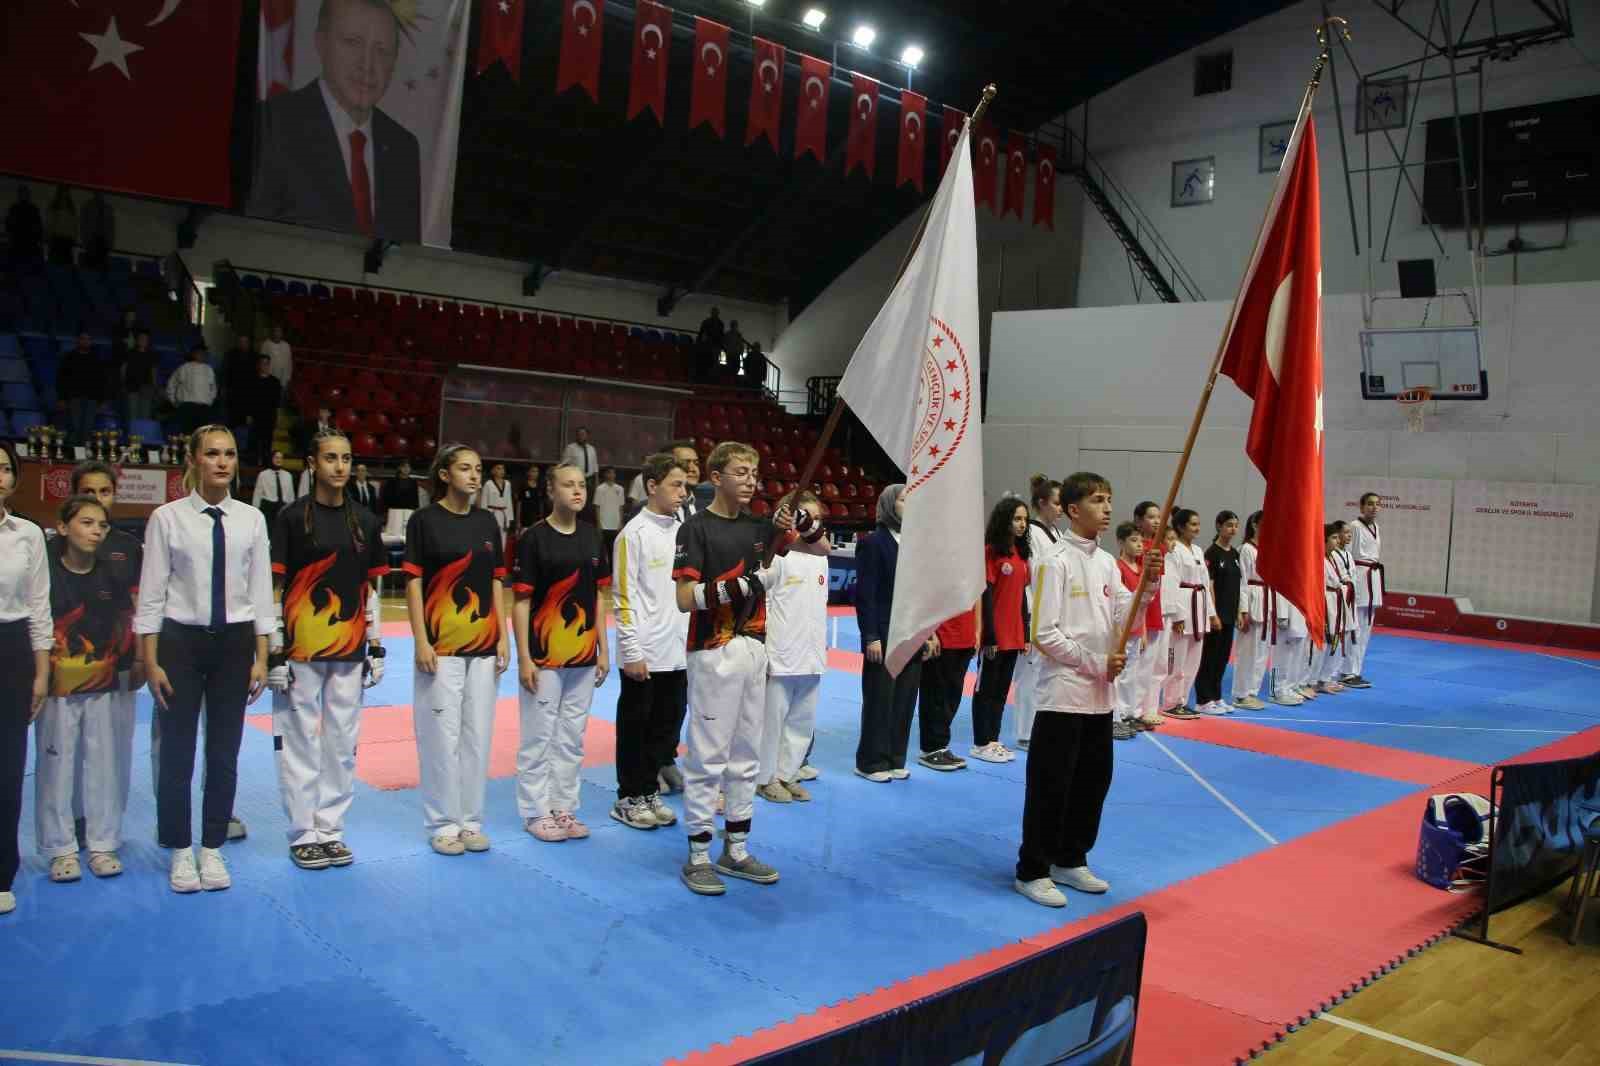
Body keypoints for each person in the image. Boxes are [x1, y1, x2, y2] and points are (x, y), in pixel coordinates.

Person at [671, 441, 822, 895]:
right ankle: (698, 854)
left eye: (754, 472)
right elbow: (683, 600)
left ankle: (735, 847)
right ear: (716, 477)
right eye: (740, 471)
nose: (750, 479)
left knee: (746, 756)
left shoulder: (762, 528)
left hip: (755, 647)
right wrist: (743, 585)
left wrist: (801, 520)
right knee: (707, 756)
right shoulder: (695, 529)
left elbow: (816, 540)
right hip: (713, 649)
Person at [136, 425, 274, 894]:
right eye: (212, 453)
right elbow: (152, 594)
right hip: (180, 642)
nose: (222, 462)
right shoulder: (167, 518)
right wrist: (150, 660)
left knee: (224, 751)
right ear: (194, 460)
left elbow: (259, 593)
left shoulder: (251, 519)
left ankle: (212, 846)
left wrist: (261, 656)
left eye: (230, 454)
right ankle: (179, 847)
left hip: (234, 643)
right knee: (176, 751)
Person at [1014, 471, 1153, 909]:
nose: (1108, 508)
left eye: (1110, 499)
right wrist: (1095, 662)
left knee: (1093, 781)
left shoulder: (1107, 563)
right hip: (1064, 693)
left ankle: (1070, 858)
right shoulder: (1053, 561)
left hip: (1100, 698)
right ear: (1073, 510)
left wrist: (1146, 588)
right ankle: (1032, 868)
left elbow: (1121, 620)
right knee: (1050, 784)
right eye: (1097, 500)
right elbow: (1044, 633)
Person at [269, 429, 386, 870]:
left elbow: (369, 589)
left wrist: (375, 646)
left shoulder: (365, 521)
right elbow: (276, 587)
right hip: (300, 648)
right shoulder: (290, 517)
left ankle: (331, 829)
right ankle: (303, 831)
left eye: (346, 457)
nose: (340, 466)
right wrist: (275, 648)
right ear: (313, 464)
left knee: (341, 742)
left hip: (349, 647)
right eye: (331, 458)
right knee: (299, 742)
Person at [403, 444, 508, 855]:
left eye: (478, 469)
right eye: (465, 468)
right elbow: (413, 582)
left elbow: (497, 581)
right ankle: (442, 822)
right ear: (444, 474)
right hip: (440, 645)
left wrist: (502, 634)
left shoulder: (486, 522)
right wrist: (421, 639)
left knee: (476, 735)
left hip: (483, 643)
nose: (474, 475)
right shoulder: (424, 520)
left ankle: (470, 820)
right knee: (439, 737)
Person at [247, 0, 422, 242]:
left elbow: (407, 261)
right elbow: (248, 241)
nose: (367, 65)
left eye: (382, 50)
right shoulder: (273, 124)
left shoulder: (403, 148)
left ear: (394, 61)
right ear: (321, 43)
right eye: (353, 42)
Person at [35, 494, 137, 883]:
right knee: (56, 763)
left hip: (102, 682)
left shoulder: (111, 577)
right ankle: (60, 849)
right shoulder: (47, 574)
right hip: (57, 686)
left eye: (102, 525)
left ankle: (102, 842)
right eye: (86, 523)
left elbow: (123, 627)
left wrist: (132, 665)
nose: (96, 531)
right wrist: (39, 677)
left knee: (102, 763)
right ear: (63, 528)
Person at [512, 463, 609, 842]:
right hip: (544, 653)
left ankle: (563, 806)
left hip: (583, 653)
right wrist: (524, 656)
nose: (577, 491)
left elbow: (600, 597)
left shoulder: (591, 537)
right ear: (551, 491)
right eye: (568, 485)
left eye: (581, 485)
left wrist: (603, 648)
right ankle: (535, 810)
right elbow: (521, 601)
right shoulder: (534, 539)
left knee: (571, 736)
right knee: (539, 736)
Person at [64, 464, 144, 850]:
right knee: (74, 749)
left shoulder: (129, 547)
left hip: (122, 661)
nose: (97, 500)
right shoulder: (56, 544)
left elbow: (140, 604)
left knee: (116, 745)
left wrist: (144, 656)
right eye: (88, 492)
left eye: (104, 492)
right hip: (73, 665)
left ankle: (107, 823)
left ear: (115, 495)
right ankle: (76, 819)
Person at [611, 453, 690, 828]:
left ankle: (650, 791)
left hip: (678, 651)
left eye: (686, 485)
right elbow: (623, 597)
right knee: (636, 727)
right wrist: (631, 651)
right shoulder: (633, 535)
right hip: (644, 652)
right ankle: (628, 796)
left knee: (666, 727)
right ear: (652, 486)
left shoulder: (683, 531)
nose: (683, 492)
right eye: (676, 484)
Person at [0, 441, 54, 916]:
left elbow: (39, 607)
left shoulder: (27, 535)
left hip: (12, 647)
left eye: (3, 469)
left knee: (8, 765)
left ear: (13, 480)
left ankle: (1, 872)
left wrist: (40, 669)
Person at [854, 484, 934, 783]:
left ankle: (895, 757)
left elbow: (919, 595)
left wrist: (926, 633)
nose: (909, 505)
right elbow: (866, 595)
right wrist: (871, 636)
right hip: (884, 631)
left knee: (904, 699)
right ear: (889, 504)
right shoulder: (874, 543)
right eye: (903, 500)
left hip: (910, 632)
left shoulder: (914, 544)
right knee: (880, 698)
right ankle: (870, 761)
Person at [758, 491, 833, 800]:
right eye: (805, 517)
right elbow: (763, 603)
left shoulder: (821, 558)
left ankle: (787, 773)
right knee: (772, 721)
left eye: (816, 519)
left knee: (802, 720)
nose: (811, 525)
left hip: (812, 649)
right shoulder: (776, 557)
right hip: (780, 649)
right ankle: (764, 778)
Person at [971, 496, 1032, 763]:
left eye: (1025, 519)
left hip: (1014, 634)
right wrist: (989, 635)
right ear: (1004, 519)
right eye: (1017, 518)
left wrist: (1026, 633)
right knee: (985, 689)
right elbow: (986, 595)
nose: (1022, 524)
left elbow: (1021, 597)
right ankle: (981, 742)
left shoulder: (1020, 554)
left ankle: (993, 740)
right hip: (995, 635)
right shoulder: (990, 552)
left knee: (1001, 691)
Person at [1014, 475, 1063, 751]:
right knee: (1029, 675)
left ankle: (1040, 729)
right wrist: (1029, 616)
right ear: (1042, 503)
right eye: (1056, 503)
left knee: (1046, 675)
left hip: (1053, 610)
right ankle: (1025, 732)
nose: (1061, 508)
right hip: (1033, 607)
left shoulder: (1056, 533)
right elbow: (1030, 575)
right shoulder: (1031, 534)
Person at [1160, 509, 1220, 718]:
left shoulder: (1197, 550)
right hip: (1184, 607)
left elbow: (1204, 583)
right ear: (1180, 526)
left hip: (1199, 606)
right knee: (1177, 660)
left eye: (1198, 524)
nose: (1197, 528)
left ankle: (1182, 700)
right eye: (1193, 524)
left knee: (1193, 661)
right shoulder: (1173, 550)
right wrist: (1176, 615)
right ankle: (1170, 702)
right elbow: (1170, 583)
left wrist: (1212, 614)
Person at [916, 600, 977, 774]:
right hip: (942, 635)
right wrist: (929, 633)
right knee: (935, 694)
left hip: (965, 634)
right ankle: (930, 748)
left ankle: (941, 745)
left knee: (953, 695)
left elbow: (977, 598)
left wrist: (977, 631)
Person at [1195, 510, 1242, 714]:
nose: (1233, 529)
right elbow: (1209, 585)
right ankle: (1203, 699)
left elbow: (1238, 585)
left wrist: (1239, 612)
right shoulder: (1211, 554)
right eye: (1229, 525)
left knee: (1223, 658)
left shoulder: (1234, 554)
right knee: (1210, 657)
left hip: (1231, 613)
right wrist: (1213, 614)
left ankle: (1216, 696)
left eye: (1235, 525)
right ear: (1218, 526)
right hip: (1217, 615)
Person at [1111, 523, 1153, 740]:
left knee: (1132, 675)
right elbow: (1119, 605)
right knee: (1119, 675)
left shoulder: (1141, 570)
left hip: (1136, 629)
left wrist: (1143, 631)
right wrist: (1118, 633)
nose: (1139, 545)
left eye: (1140, 541)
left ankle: (1128, 713)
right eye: (1133, 540)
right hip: (1121, 630)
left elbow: (1141, 605)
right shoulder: (1117, 568)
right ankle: (1115, 716)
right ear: (1120, 542)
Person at [1131, 502, 1169, 728]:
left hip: (1155, 607)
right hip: (1139, 608)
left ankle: (1145, 708)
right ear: (1138, 520)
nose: (1156, 521)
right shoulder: (1137, 546)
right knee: (1135, 664)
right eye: (1151, 517)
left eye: (1159, 517)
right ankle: (1131, 710)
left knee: (1150, 665)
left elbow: (1159, 582)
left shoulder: (1160, 547)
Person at [1230, 512, 1269, 710]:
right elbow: (1241, 582)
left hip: (1266, 598)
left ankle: (1252, 690)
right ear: (1254, 525)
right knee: (1247, 651)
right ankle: (1240, 693)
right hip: (1252, 596)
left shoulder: (1269, 549)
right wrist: (1242, 610)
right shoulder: (1246, 549)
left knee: (1261, 652)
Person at [1344, 492, 1382, 688]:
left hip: (1373, 579)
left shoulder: (1376, 527)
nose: (1374, 507)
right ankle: (1348, 672)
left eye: (1377, 504)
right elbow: (1347, 555)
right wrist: (1349, 582)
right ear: (1361, 507)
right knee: (1356, 628)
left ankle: (1355, 670)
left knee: (1366, 630)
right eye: (1369, 504)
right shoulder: (1355, 527)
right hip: (1359, 578)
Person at [1313, 523, 1349, 696]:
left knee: (1336, 641)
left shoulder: (1333, 558)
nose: (1338, 540)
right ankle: (1315, 680)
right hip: (1327, 602)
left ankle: (1325, 678)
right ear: (1324, 540)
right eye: (1334, 537)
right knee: (1326, 642)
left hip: (1336, 601)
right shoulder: (1319, 559)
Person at [57, 332, 103, 446]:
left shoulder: (96, 359)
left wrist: (101, 400)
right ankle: (73, 453)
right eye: (83, 339)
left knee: (88, 429)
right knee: (74, 427)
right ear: (78, 340)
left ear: (91, 342)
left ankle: (84, 454)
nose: (85, 341)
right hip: (74, 398)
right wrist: (62, 398)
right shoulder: (69, 357)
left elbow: (102, 381)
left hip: (92, 399)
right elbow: (61, 379)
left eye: (88, 339)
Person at [167, 344, 218, 436]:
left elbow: (213, 388)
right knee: (187, 435)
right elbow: (171, 384)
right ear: (193, 354)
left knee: (202, 436)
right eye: (199, 353)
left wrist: (210, 401)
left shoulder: (209, 369)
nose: (201, 355)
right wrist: (174, 401)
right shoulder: (184, 368)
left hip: (204, 408)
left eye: (203, 353)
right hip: (187, 407)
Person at [244, 355, 283, 466]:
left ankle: (266, 463)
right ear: (259, 365)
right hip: (255, 416)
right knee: (254, 441)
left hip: (269, 416)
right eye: (262, 363)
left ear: (269, 365)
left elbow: (277, 402)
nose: (264, 366)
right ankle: (252, 463)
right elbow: (248, 399)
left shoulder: (275, 382)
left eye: (267, 363)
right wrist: (248, 415)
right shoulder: (252, 380)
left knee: (267, 442)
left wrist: (277, 416)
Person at [252, 451, 297, 528]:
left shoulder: (288, 475)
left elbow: (291, 495)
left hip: (283, 507)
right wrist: (255, 510)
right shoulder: (263, 474)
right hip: (268, 507)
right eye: (276, 457)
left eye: (281, 458)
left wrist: (292, 510)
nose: (278, 460)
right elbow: (257, 493)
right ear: (271, 459)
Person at [123, 328, 158, 427]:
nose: (143, 340)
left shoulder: (152, 354)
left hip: (147, 387)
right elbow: (124, 369)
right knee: (132, 415)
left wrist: (154, 386)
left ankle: (143, 439)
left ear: (148, 341)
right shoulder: (130, 353)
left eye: (145, 339)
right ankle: (132, 439)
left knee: (145, 415)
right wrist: (124, 383)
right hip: (132, 387)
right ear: (137, 340)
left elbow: (154, 371)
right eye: (141, 338)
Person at [224, 335, 259, 434]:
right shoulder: (231, 354)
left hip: (248, 393)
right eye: (241, 342)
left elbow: (256, 375)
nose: (243, 344)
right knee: (232, 421)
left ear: (249, 343)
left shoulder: (254, 356)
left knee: (246, 422)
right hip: (233, 392)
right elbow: (227, 372)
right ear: (238, 343)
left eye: (245, 342)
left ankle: (243, 447)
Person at [5, 185, 44, 266]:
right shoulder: (17, 208)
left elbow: (38, 227)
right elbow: (9, 225)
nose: (23, 196)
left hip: (26, 244)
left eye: (25, 194)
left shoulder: (30, 209)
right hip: (21, 244)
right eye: (22, 193)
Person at [478, 461, 514, 544]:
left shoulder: (508, 484)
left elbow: (509, 502)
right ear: (493, 471)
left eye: (503, 469)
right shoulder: (488, 484)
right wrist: (484, 517)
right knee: (491, 539)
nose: (501, 471)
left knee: (503, 540)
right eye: (498, 468)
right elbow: (484, 502)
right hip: (492, 513)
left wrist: (509, 518)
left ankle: (501, 555)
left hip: (504, 514)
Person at [594, 467, 625, 557]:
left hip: (616, 525)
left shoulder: (620, 489)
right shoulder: (600, 489)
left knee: (615, 551)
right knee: (603, 550)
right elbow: (597, 507)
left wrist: (621, 522)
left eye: (613, 473)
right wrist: (598, 523)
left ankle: (613, 570)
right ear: (605, 474)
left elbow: (621, 507)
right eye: (609, 473)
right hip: (603, 525)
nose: (611, 475)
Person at [79, 192, 114, 270]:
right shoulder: (87, 207)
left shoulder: (108, 209)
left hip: (103, 244)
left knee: (101, 270)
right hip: (91, 243)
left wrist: (109, 245)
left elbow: (111, 228)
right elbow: (83, 225)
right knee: (90, 269)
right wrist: (85, 242)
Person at [260, 325, 293, 396]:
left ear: (282, 333)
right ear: (272, 332)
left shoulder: (286, 345)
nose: (277, 333)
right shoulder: (266, 344)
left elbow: (289, 363)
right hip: (269, 379)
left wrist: (288, 379)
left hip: (283, 379)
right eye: (276, 331)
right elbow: (262, 363)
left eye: (279, 331)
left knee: (280, 401)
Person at [47, 185, 76, 265]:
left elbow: (73, 225)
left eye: (66, 191)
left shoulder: (71, 207)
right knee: (55, 263)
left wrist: (73, 238)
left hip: (67, 241)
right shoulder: (54, 206)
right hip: (56, 239)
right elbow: (50, 223)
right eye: (63, 191)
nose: (65, 193)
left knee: (66, 265)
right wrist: (49, 237)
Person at [516, 464, 546, 530]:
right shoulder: (523, 486)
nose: (535, 473)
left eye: (537, 471)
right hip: (525, 518)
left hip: (537, 518)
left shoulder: (540, 486)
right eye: (533, 471)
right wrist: (518, 521)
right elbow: (519, 504)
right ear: (528, 472)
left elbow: (541, 503)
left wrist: (541, 517)